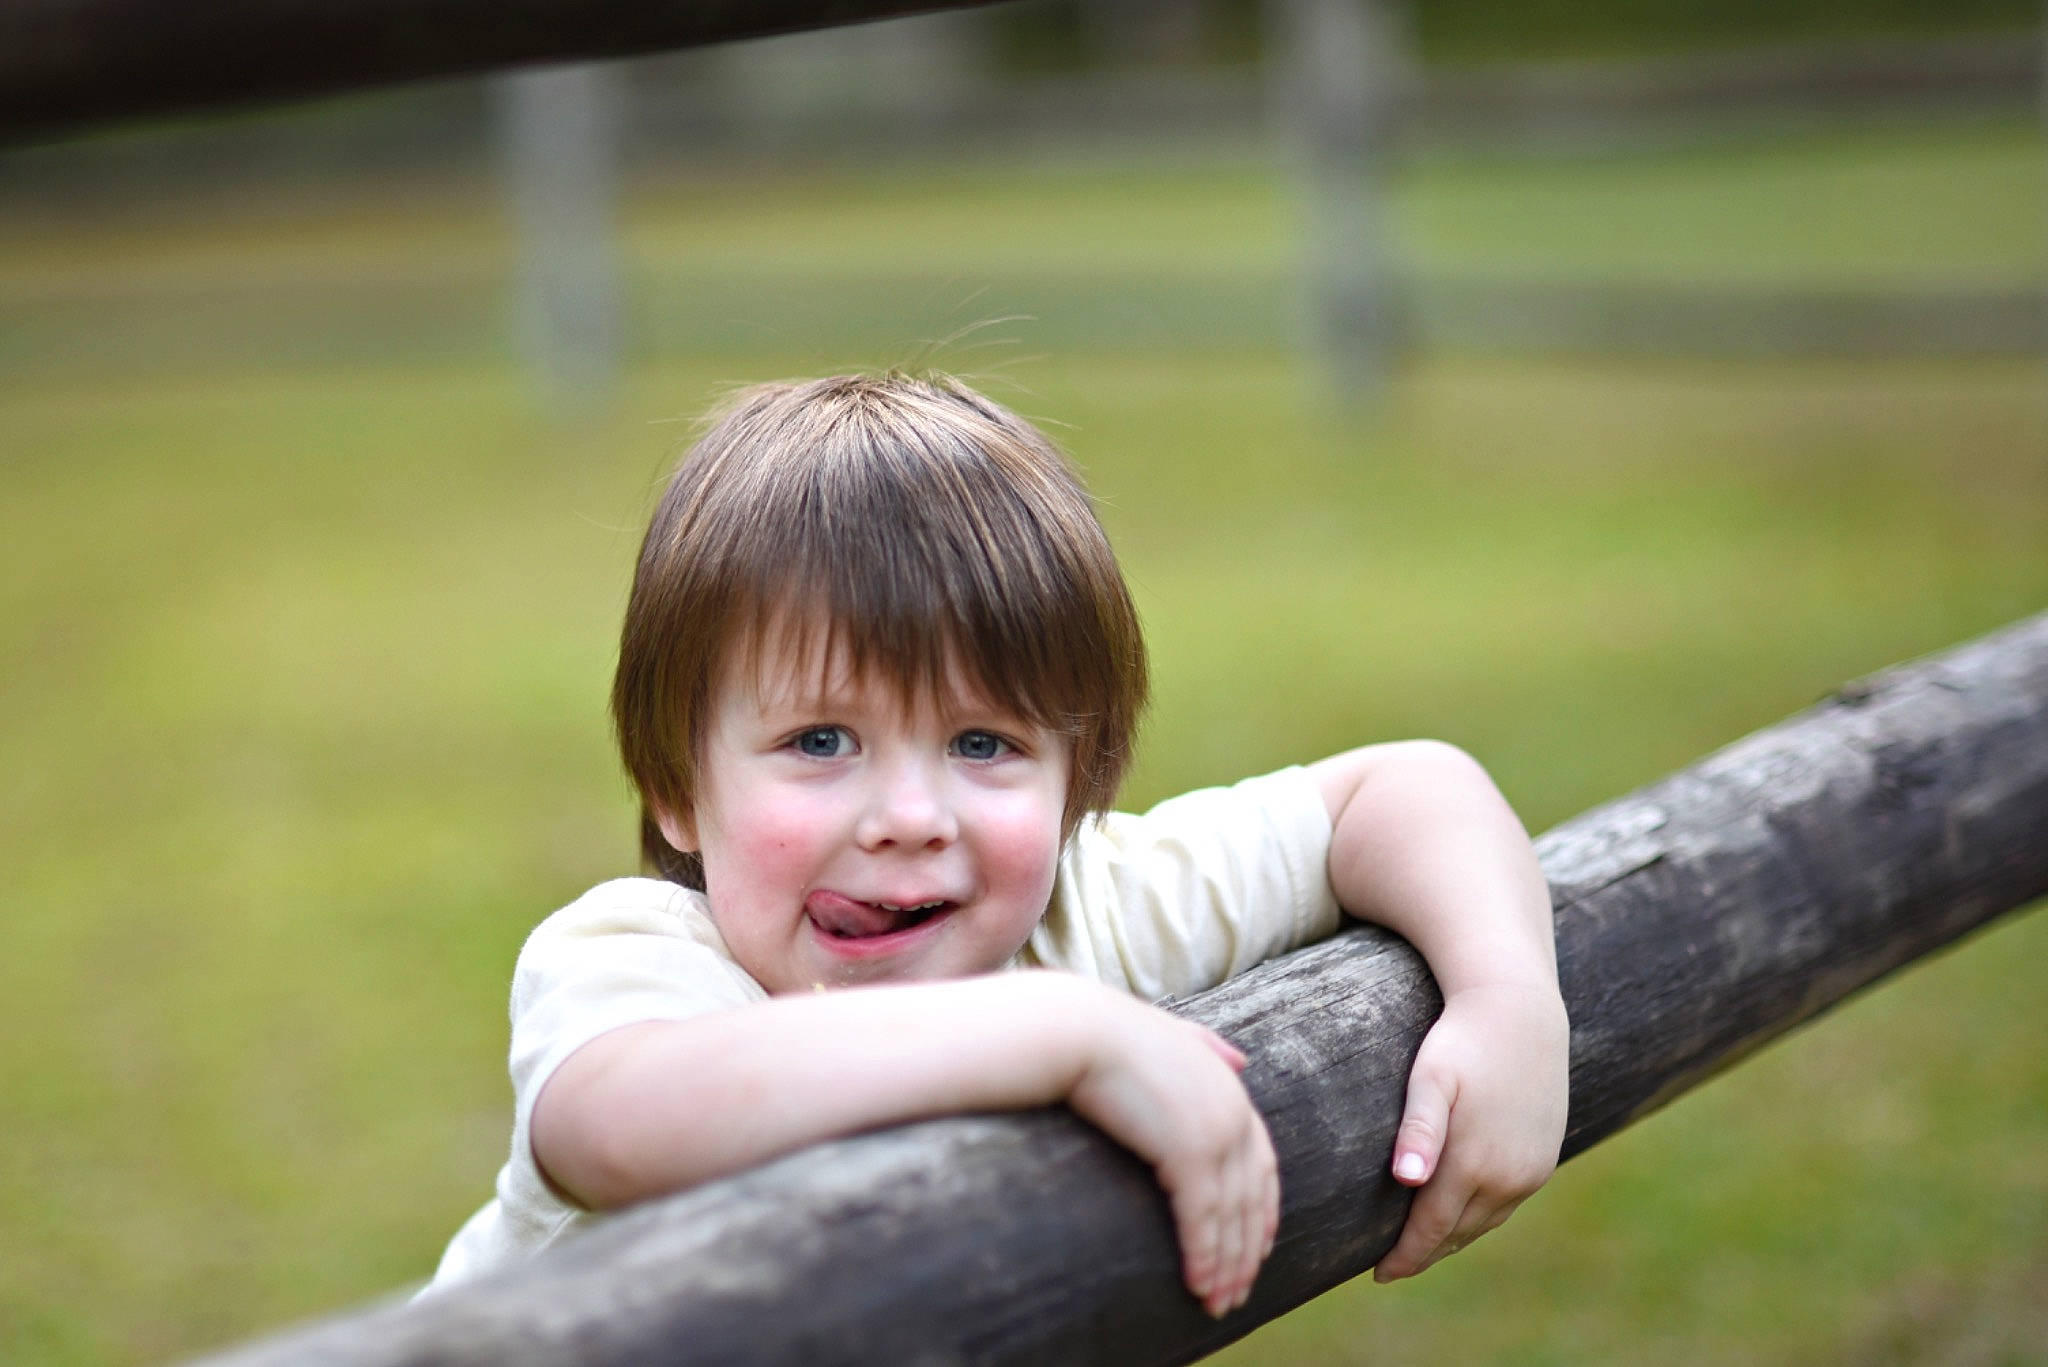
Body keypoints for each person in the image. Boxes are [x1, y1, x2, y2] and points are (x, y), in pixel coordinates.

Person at [429, 372, 1570, 1317]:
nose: (910, 815)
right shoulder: (641, 956)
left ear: (1077, 773)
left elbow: (1405, 787)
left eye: (982, 741)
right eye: (820, 739)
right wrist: (1054, 1031)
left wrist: (1510, 997)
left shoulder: (1090, 904)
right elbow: (622, 1124)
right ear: (677, 787)